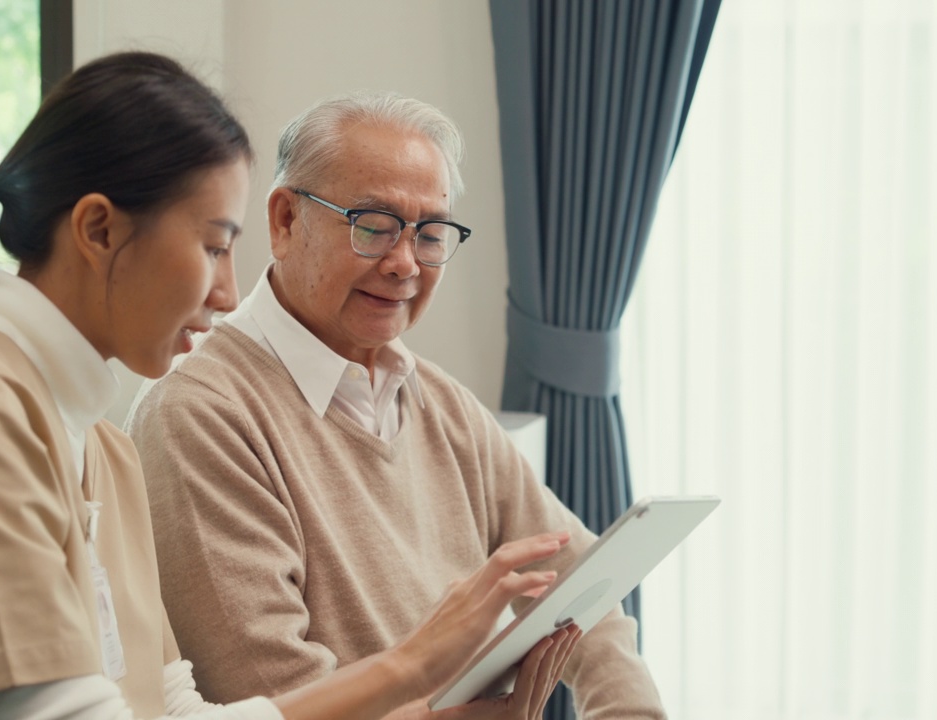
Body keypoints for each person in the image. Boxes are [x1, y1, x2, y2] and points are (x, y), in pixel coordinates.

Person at [0, 54, 582, 720]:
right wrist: (412, 669)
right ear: (99, 230)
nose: (226, 292)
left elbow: (176, 710)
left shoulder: (98, 446)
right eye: (213, 246)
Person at [126, 91, 668, 718]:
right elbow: (274, 698)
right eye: (374, 226)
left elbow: (584, 579)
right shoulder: (199, 412)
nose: (405, 263)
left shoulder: (439, 400)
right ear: (284, 221)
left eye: (430, 233)